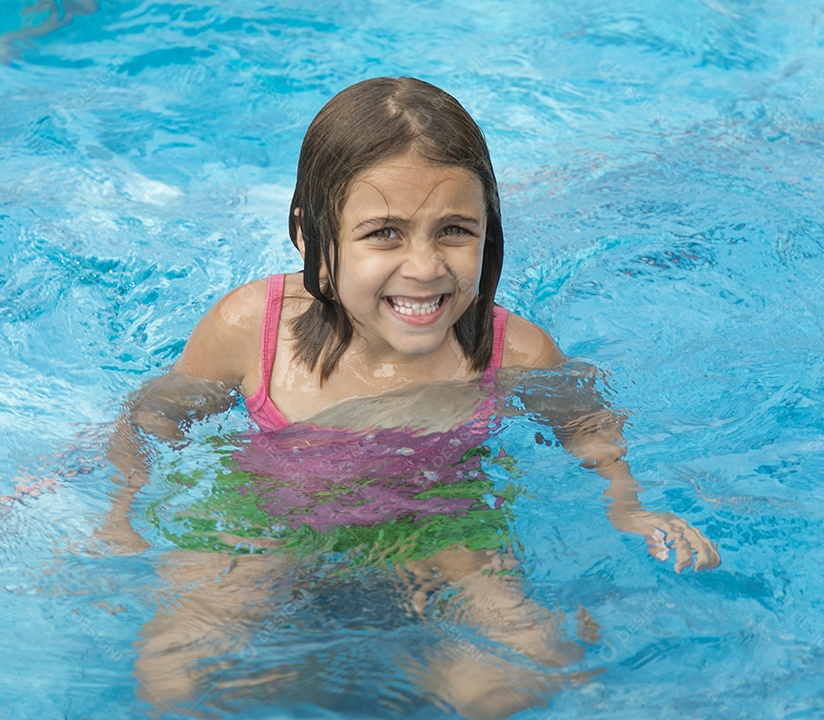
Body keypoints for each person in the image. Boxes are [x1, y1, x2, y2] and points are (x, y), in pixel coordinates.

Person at [106, 77, 719, 720]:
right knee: (177, 670)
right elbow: (154, 414)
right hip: (266, 510)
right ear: (309, 234)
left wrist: (629, 507)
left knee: (527, 667)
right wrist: (121, 513)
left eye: (454, 230)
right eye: (385, 234)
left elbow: (586, 424)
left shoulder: (515, 353)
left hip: (443, 515)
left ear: (490, 230)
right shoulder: (251, 330)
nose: (425, 267)